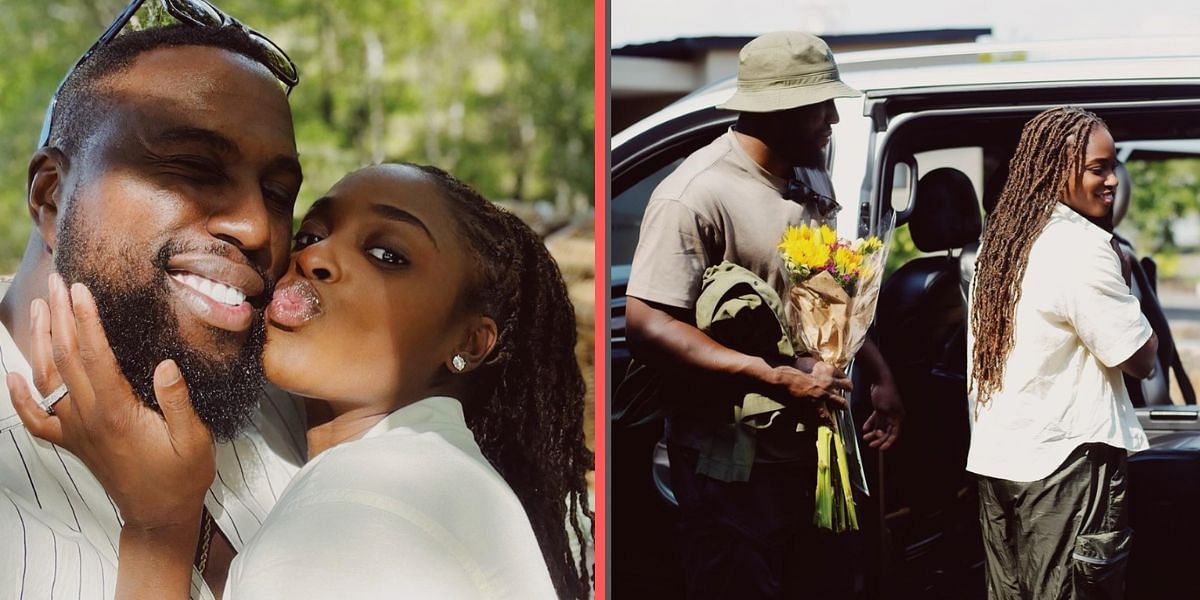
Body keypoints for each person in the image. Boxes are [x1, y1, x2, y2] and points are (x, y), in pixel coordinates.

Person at [10, 163, 595, 599]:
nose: (315, 258)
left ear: (468, 342)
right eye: (313, 232)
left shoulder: (364, 511)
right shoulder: (423, 473)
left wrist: (157, 528)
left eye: (388, 254)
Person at [0, 10, 306, 599]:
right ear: (51, 197)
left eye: (277, 194)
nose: (256, 227)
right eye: (193, 167)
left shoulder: (289, 407)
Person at [623, 31, 904, 599]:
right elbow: (647, 324)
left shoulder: (809, 178)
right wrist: (772, 377)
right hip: (732, 466)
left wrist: (880, 375)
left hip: (812, 453)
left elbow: (827, 289)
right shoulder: (697, 194)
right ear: (779, 109)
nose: (833, 119)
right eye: (821, 106)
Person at [967, 106, 1158, 599]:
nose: (1112, 180)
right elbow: (1139, 358)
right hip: (1068, 463)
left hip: (1001, 459)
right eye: (1099, 168)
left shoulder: (1002, 243)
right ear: (1056, 170)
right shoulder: (1081, 247)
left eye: (1113, 166)